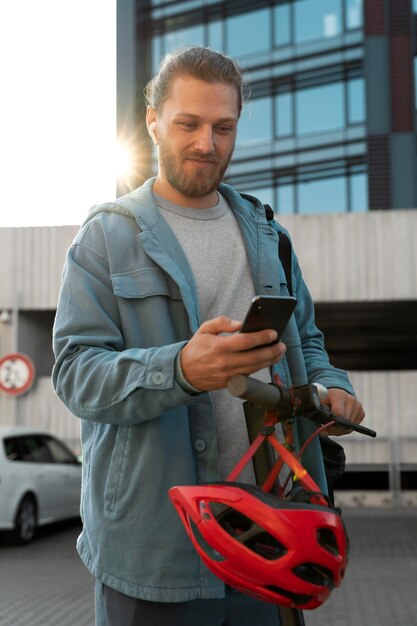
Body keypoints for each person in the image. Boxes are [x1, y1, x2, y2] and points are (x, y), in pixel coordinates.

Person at [52, 46, 365, 626]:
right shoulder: (104, 238)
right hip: (154, 553)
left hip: (271, 538)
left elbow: (309, 340)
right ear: (151, 120)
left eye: (223, 127)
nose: (206, 143)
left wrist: (329, 383)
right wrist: (181, 371)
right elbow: (75, 375)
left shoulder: (269, 234)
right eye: (187, 124)